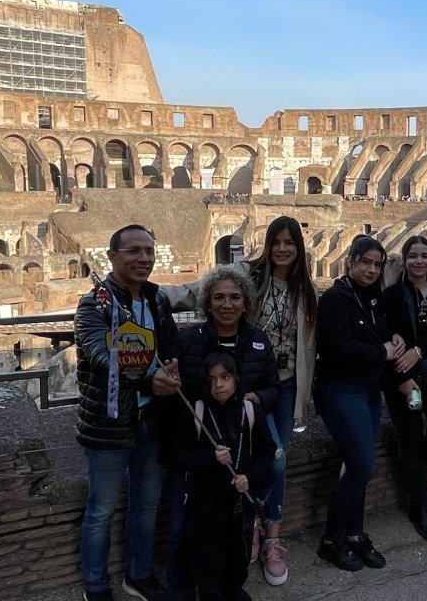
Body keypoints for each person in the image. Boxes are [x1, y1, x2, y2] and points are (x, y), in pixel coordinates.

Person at [163, 215, 317, 587]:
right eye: (276, 241)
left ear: (299, 248)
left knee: (274, 461)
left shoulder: (306, 289)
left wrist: (302, 395)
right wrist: (149, 294)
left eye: (290, 242)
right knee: (254, 460)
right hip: (238, 382)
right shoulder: (247, 274)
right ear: (267, 244)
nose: (282, 249)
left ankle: (267, 533)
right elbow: (199, 290)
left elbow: (312, 343)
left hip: (277, 385)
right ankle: (246, 521)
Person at [74, 224, 180, 601]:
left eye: (149, 251)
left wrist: (173, 367)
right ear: (112, 256)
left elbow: (169, 345)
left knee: (147, 504)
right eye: (133, 251)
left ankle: (138, 574)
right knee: (101, 509)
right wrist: (148, 380)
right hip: (108, 422)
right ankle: (96, 586)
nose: (143, 258)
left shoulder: (157, 298)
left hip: (150, 420)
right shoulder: (94, 304)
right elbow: (100, 356)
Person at [164, 266, 281, 593]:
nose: (227, 304)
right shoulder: (187, 341)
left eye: (234, 297)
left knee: (234, 529)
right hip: (201, 452)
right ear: (207, 303)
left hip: (240, 451)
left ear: (245, 302)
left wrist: (255, 399)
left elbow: (273, 388)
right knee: (181, 528)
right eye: (218, 297)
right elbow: (176, 393)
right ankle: (182, 591)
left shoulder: (258, 341)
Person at [314, 235, 404, 572]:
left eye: (377, 264)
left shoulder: (374, 297)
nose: (371, 269)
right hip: (340, 390)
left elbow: (383, 332)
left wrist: (395, 337)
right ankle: (330, 540)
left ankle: (355, 533)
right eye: (365, 262)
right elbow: (340, 349)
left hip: (368, 390)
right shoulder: (334, 299)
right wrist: (383, 352)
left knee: (357, 466)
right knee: (363, 467)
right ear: (350, 262)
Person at [175, 350, 277, 601]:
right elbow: (180, 457)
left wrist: (250, 477)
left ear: (236, 378)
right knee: (207, 560)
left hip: (239, 503)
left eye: (225, 377)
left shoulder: (251, 411)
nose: (218, 384)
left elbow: (267, 451)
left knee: (238, 556)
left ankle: (233, 591)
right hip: (204, 505)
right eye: (211, 379)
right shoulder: (196, 412)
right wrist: (210, 457)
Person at [380, 236, 427, 541]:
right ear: (404, 260)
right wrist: (402, 377)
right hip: (405, 381)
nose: (419, 261)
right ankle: (419, 506)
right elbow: (384, 336)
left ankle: (419, 464)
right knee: (410, 440)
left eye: (425, 256)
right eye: (413, 256)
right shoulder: (391, 295)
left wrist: (419, 351)